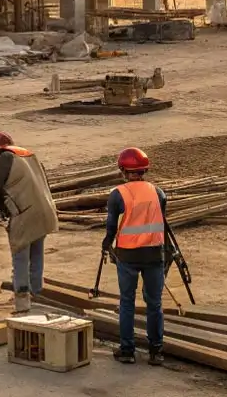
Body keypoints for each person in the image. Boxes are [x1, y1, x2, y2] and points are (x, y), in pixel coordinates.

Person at [102, 146, 168, 365]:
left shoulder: (118, 194)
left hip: (128, 256)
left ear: (123, 169)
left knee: (127, 302)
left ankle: (127, 351)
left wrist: (107, 243)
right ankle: (156, 351)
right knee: (154, 304)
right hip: (154, 255)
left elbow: (111, 226)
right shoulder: (157, 192)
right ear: (144, 170)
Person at [0, 130, 55, 313]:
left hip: (25, 215)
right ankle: (37, 297)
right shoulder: (27, 155)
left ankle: (22, 304)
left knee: (20, 258)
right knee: (37, 255)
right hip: (45, 210)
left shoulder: (5, 157)